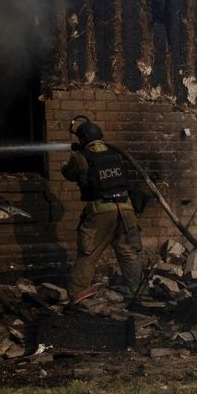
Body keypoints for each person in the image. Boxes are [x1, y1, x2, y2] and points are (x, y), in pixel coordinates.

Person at [61, 117, 146, 300]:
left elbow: (69, 173)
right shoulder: (115, 153)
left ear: (83, 138)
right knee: (128, 251)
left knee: (89, 252)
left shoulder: (81, 156)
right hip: (126, 208)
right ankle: (137, 291)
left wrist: (68, 162)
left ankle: (77, 293)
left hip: (101, 209)